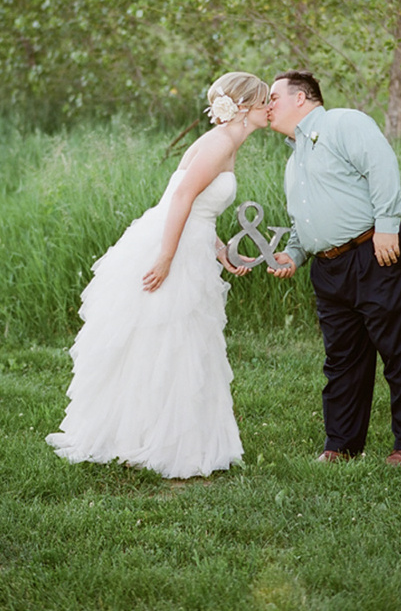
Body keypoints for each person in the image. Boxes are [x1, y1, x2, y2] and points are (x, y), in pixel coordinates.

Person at [46, 72, 269, 479]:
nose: (270, 108)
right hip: (172, 245)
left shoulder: (229, 143)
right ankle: (149, 440)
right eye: (264, 101)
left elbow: (198, 208)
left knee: (180, 342)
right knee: (166, 338)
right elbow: (179, 198)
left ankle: (165, 435)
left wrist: (220, 253)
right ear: (244, 107)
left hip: (190, 241)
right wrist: (166, 257)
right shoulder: (219, 142)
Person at [267, 69, 401, 466]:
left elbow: (382, 167)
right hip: (328, 269)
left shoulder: (344, 123)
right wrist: (294, 253)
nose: (266, 105)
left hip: (374, 252)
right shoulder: (294, 160)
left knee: (399, 350)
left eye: (273, 97)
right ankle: (341, 445)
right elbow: (303, 221)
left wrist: (388, 227)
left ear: (301, 98)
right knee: (341, 359)